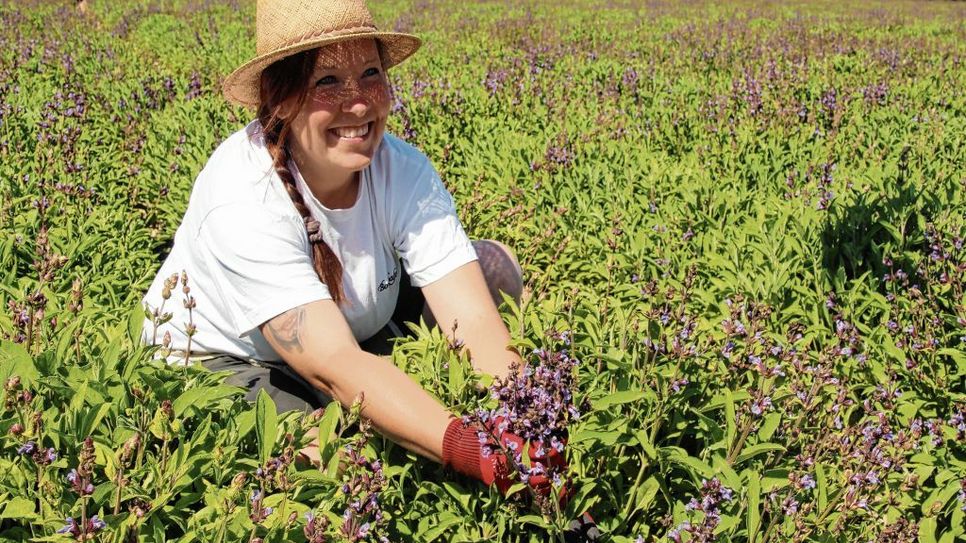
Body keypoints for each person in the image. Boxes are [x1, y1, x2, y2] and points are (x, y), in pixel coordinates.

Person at [139, 0, 571, 501]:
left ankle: (399, 395)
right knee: (340, 460)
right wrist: (480, 452)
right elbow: (334, 361)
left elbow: (472, 317)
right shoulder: (242, 194)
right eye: (327, 82)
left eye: (370, 74)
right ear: (279, 99)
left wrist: (526, 420)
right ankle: (380, 406)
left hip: (347, 326)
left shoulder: (400, 168)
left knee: (495, 270)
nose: (360, 104)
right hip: (227, 358)